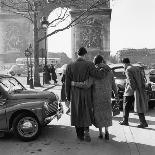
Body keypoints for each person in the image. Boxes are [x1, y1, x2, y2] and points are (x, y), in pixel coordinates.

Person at [65, 47, 111, 142]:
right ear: (85, 54)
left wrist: (67, 97)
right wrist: (105, 67)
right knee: (86, 112)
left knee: (77, 112)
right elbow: (99, 75)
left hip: (75, 93)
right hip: (87, 93)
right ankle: (86, 131)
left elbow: (67, 83)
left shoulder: (70, 66)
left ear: (77, 54)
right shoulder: (89, 64)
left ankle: (79, 134)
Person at [71, 55, 118, 140]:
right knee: (106, 114)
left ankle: (100, 133)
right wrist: (116, 95)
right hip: (107, 97)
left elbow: (86, 85)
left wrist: (75, 83)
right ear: (102, 61)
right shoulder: (110, 71)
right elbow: (114, 85)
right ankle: (107, 132)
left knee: (99, 115)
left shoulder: (94, 73)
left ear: (95, 62)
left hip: (97, 98)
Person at [119, 58, 148, 128]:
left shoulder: (128, 69)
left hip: (130, 91)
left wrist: (133, 89)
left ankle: (125, 121)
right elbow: (142, 78)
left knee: (126, 106)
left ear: (124, 63)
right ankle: (143, 122)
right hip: (139, 90)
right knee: (139, 106)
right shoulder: (136, 68)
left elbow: (130, 81)